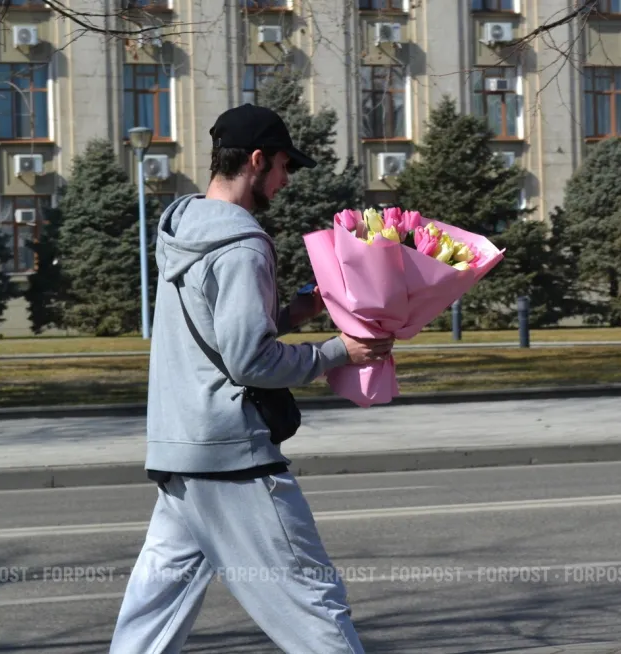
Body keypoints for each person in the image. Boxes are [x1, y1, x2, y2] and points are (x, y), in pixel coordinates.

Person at [109, 104, 392, 654]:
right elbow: (249, 361)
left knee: (151, 620)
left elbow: (218, 334)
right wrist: (340, 351)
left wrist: (297, 312)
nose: (286, 181)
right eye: (284, 166)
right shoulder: (243, 244)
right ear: (257, 161)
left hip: (180, 452)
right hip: (231, 458)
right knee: (314, 602)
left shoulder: (182, 228)